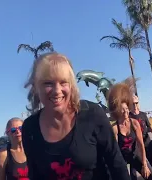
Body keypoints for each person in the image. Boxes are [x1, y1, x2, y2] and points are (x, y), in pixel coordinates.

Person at [21, 52, 130, 180]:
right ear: (36, 87)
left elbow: (117, 165)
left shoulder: (92, 114)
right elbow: (35, 176)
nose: (57, 91)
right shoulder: (30, 128)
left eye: (63, 82)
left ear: (72, 85)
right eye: (48, 83)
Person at [109, 78, 152, 180]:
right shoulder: (115, 128)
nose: (126, 112)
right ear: (118, 111)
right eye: (123, 110)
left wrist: (145, 165)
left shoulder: (134, 123)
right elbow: (114, 151)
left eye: (127, 109)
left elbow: (141, 144)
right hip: (122, 158)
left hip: (135, 154)